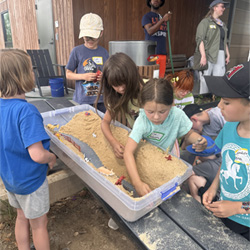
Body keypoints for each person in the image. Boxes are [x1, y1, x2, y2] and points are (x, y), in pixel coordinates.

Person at [0, 49, 57, 249]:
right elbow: (37, 154)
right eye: (30, 69)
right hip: (31, 182)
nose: (34, 73)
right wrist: (51, 158)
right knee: (39, 225)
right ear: (21, 77)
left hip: (10, 180)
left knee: (21, 217)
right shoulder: (26, 111)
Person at [124, 78, 207, 197]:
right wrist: (137, 183)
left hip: (170, 154)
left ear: (171, 104)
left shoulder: (177, 115)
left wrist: (199, 140)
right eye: (150, 112)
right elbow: (128, 152)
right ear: (142, 106)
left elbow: (188, 134)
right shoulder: (142, 121)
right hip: (149, 158)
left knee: (170, 188)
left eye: (162, 111)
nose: (156, 117)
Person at [202, 61, 250, 241]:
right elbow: (226, 161)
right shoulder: (229, 127)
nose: (219, 106)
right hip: (225, 210)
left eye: (227, 102)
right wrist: (214, 188)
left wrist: (237, 207)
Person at [95, 52, 144, 159]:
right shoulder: (116, 96)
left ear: (132, 76)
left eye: (124, 82)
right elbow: (105, 123)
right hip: (140, 141)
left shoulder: (148, 90)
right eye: (115, 85)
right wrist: (113, 143)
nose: (121, 88)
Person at [181, 104, 226, 202]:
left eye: (189, 127)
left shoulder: (223, 117)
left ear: (194, 119)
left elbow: (187, 173)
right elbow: (195, 148)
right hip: (222, 185)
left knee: (192, 178)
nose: (190, 131)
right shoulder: (221, 156)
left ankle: (197, 204)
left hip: (223, 199)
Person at [66, 13, 109, 113]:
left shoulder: (104, 52)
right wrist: (83, 76)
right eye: (86, 37)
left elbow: (109, 73)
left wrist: (104, 77)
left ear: (101, 33)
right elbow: (68, 74)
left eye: (92, 37)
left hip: (101, 99)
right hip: (84, 100)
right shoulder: (77, 51)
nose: (89, 40)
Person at [195, 0, 230, 94]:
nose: (224, 9)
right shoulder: (205, 22)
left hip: (220, 54)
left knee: (218, 79)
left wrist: (228, 54)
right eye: (222, 6)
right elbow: (200, 40)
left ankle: (214, 99)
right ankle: (203, 98)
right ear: (215, 8)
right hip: (208, 54)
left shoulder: (223, 25)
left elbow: (224, 40)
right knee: (205, 78)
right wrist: (203, 56)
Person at [142, 0, 172, 77]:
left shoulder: (163, 18)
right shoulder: (147, 16)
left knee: (160, 79)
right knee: (151, 79)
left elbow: (164, 37)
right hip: (151, 54)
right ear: (149, 2)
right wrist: (162, 20)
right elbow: (149, 31)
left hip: (162, 54)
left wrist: (166, 54)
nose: (156, 0)